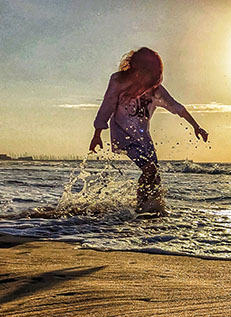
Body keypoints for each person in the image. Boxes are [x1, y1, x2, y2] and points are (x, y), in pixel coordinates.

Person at [89, 47, 208, 215]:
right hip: (123, 135)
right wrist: (97, 134)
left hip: (143, 138)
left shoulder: (156, 89)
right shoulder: (118, 81)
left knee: (155, 175)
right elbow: (106, 106)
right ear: (134, 69)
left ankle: (151, 207)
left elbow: (177, 107)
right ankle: (142, 208)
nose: (145, 85)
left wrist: (196, 126)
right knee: (149, 169)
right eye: (143, 77)